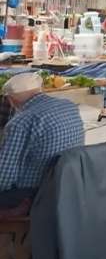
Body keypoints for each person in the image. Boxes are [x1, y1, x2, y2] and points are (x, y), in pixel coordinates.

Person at [0, 73, 84, 210]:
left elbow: (4, 179)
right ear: (39, 90)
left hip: (33, 193)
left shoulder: (21, 122)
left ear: (10, 100)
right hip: (68, 186)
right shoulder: (69, 106)